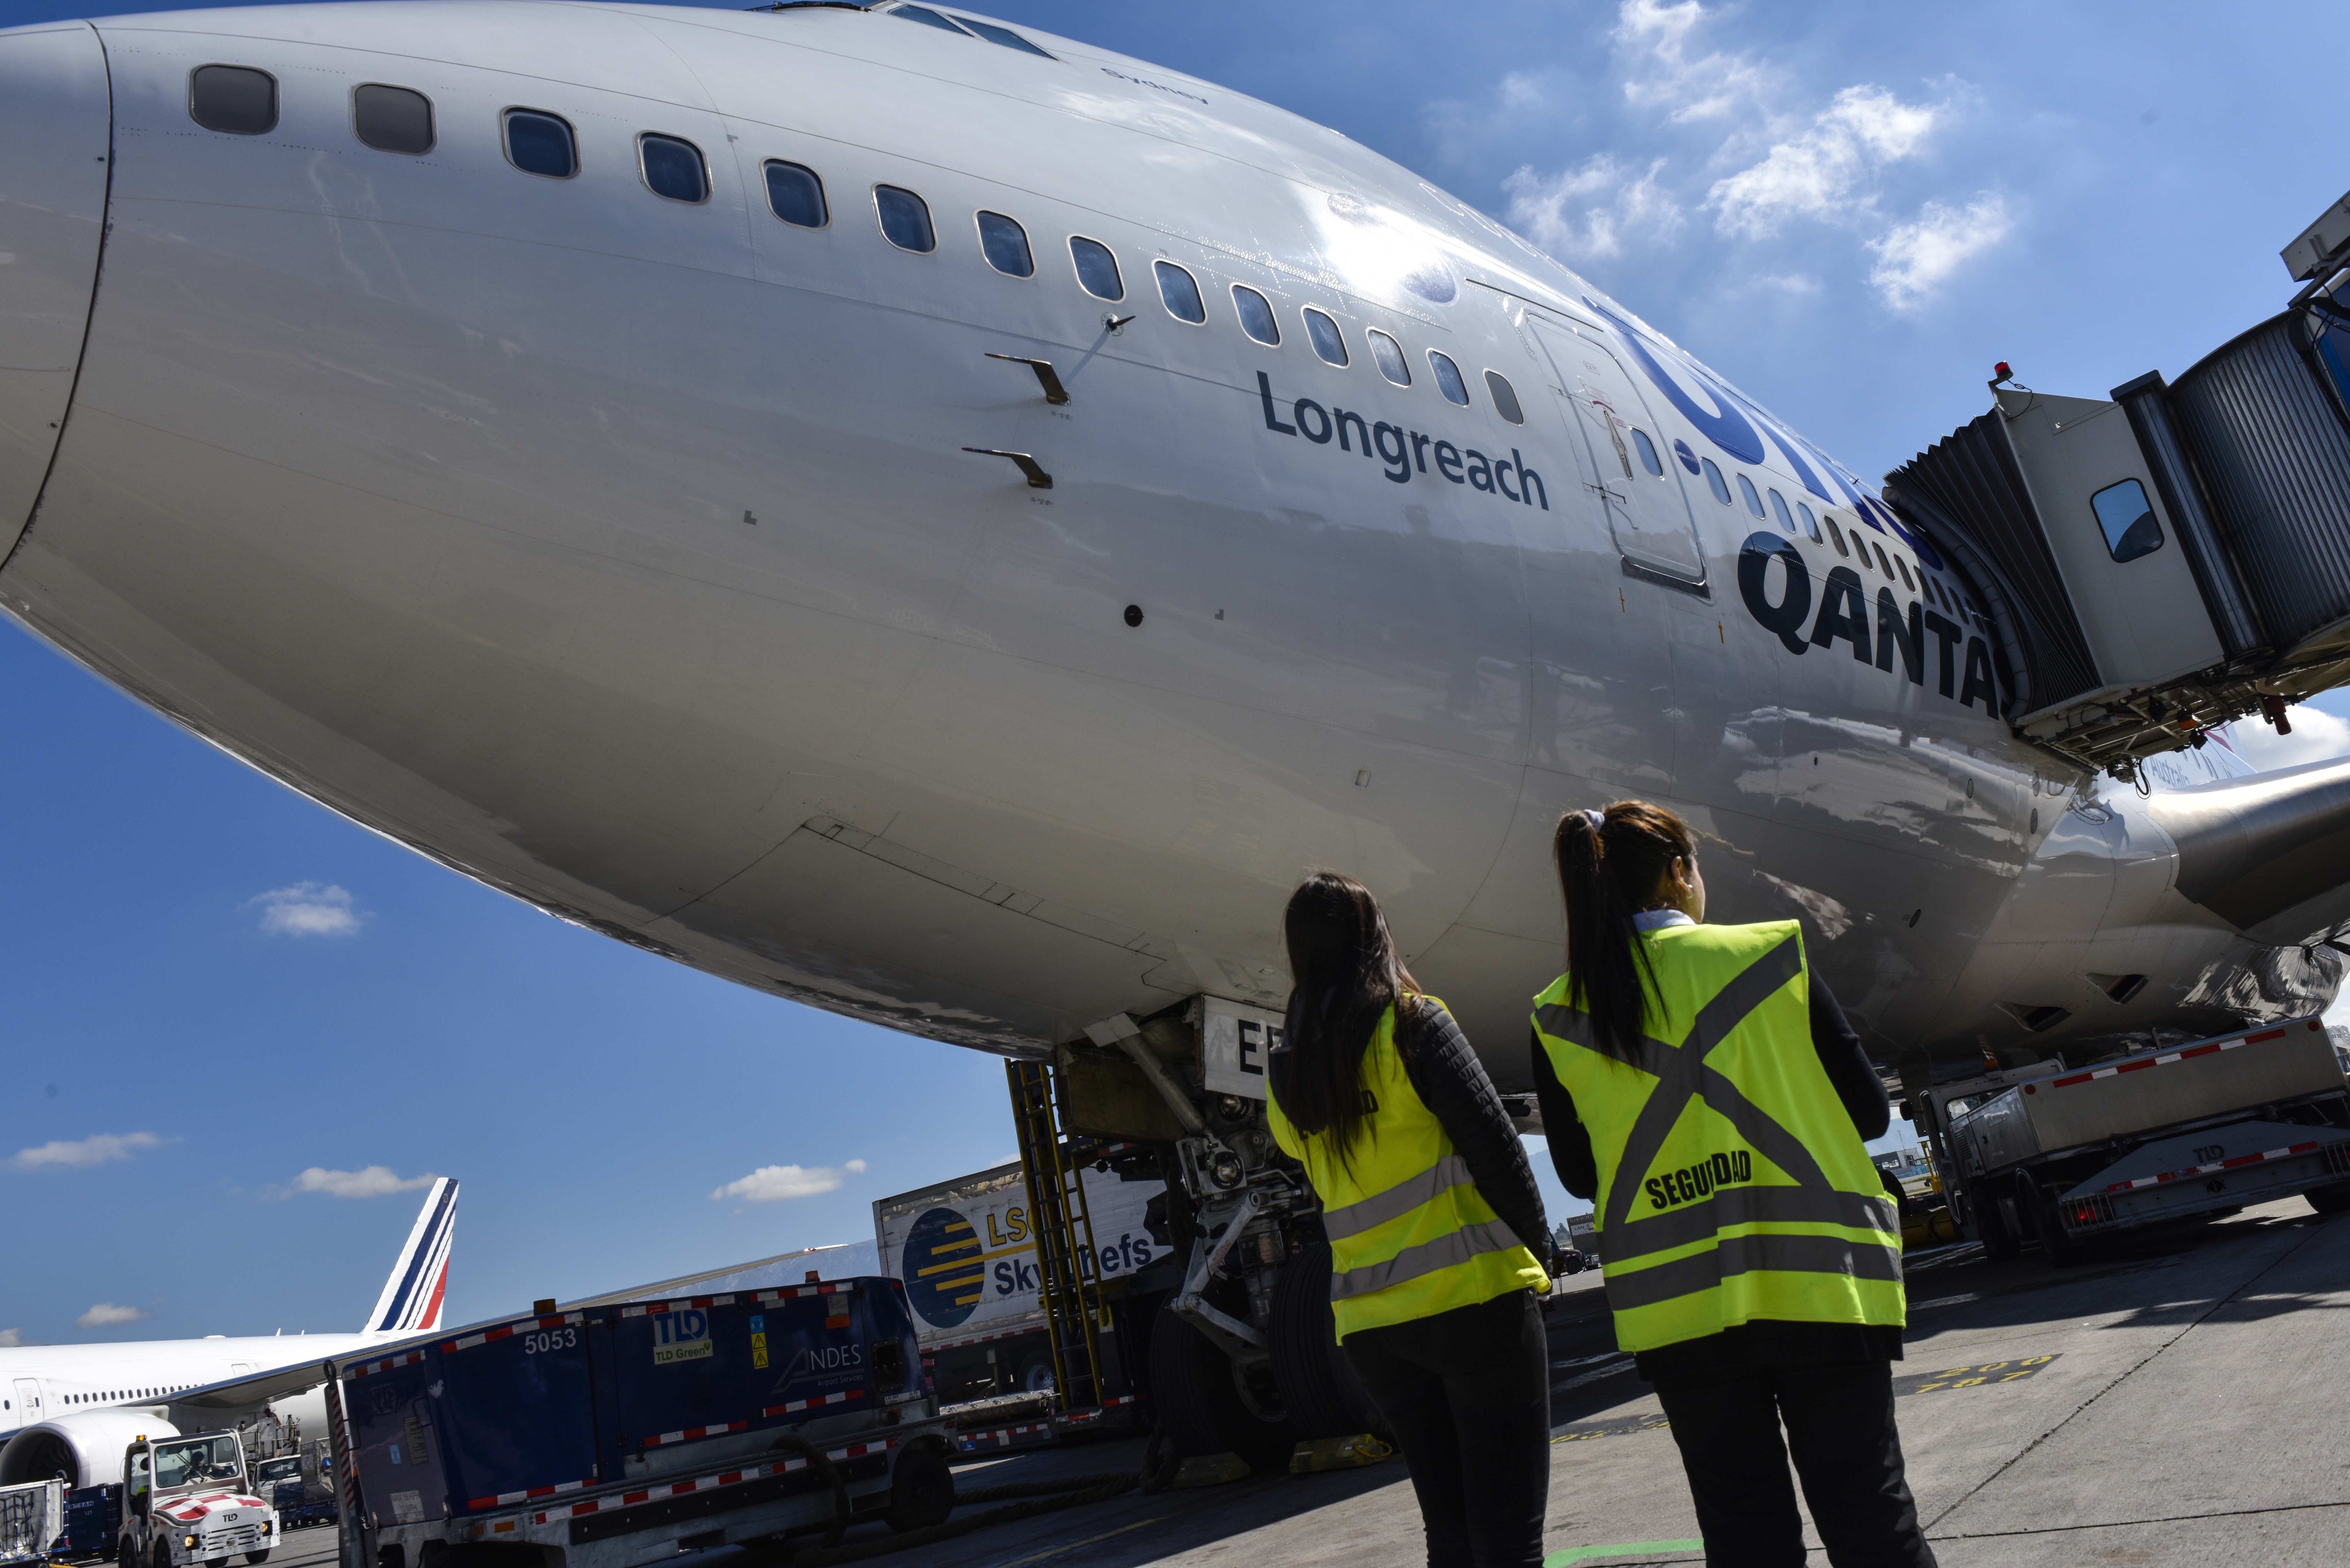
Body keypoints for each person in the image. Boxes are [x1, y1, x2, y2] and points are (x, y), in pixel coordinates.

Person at [1529, 802, 1936, 1568]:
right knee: (1870, 1520)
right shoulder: (1769, 955)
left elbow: (1579, 1175)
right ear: (1679, 872)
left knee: (1745, 1540)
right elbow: (1867, 1112)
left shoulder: (1558, 1013)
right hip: (1819, 1289)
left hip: (1681, 1317)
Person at [1265, 872, 1558, 1568]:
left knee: (1449, 1533)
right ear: (1373, 938)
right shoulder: (1414, 1024)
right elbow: (1498, 1151)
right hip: (1473, 1305)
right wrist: (1540, 1251)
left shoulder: (1286, 1078)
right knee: (1508, 1535)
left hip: (1374, 1329)